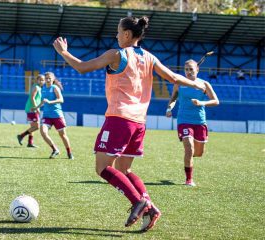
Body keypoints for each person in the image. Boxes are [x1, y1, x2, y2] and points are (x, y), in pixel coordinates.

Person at [53, 16, 206, 231]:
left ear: (126, 34)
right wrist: (195, 84)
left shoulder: (116, 54)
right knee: (124, 169)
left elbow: (82, 67)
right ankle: (150, 208)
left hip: (119, 119)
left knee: (102, 167)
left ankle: (138, 201)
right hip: (139, 123)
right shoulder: (150, 57)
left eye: (118, 32)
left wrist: (63, 52)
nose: (116, 36)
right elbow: (173, 77)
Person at [165, 59, 219, 187]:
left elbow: (216, 101)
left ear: (197, 70)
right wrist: (169, 108)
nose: (188, 72)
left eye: (191, 69)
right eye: (186, 69)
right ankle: (189, 179)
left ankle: (190, 156)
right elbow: (173, 98)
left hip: (200, 121)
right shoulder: (179, 83)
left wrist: (202, 103)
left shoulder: (204, 84)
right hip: (183, 120)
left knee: (199, 153)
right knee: (188, 148)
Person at [33, 72, 74, 160]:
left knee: (62, 135)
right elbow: (43, 102)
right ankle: (55, 149)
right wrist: (36, 108)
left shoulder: (54, 88)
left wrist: (50, 102)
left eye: (49, 78)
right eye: (46, 78)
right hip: (47, 115)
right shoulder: (43, 88)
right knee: (43, 132)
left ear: (53, 79)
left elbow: (61, 100)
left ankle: (69, 153)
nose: (47, 80)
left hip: (57, 115)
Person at [17, 74, 45, 148]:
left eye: (43, 80)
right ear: (37, 80)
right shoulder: (36, 87)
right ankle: (21, 136)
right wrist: (36, 108)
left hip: (31, 108)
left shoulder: (38, 87)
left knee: (33, 127)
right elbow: (32, 97)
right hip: (32, 109)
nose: (41, 81)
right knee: (37, 126)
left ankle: (30, 143)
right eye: (40, 79)